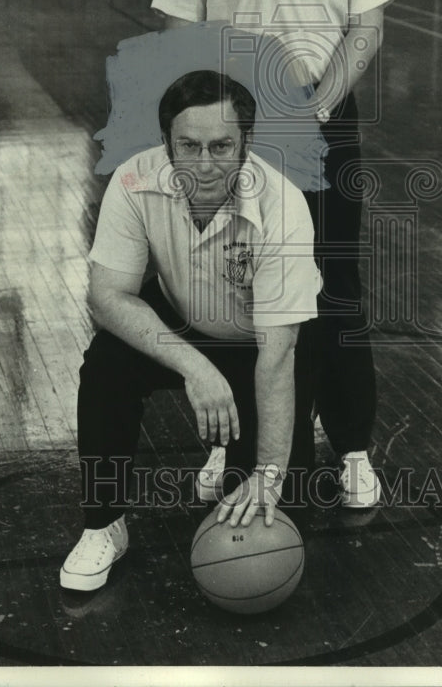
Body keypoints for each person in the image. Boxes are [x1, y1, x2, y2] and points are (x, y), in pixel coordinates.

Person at [151, 0, 403, 508]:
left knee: (335, 289)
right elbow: (175, 28)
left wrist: (318, 105)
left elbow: (367, 25)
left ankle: (351, 447)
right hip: (232, 134)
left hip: (323, 127)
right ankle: (234, 451)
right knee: (234, 294)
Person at [60, 69, 321, 591]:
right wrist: (195, 367)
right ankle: (104, 523)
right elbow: (106, 296)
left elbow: (276, 356)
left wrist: (268, 476)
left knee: (273, 505)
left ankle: (231, 447)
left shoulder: (283, 206)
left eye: (222, 146)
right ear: (165, 143)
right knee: (107, 366)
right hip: (184, 317)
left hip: (261, 340)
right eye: (189, 145)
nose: (204, 164)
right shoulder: (135, 180)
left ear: (247, 143)